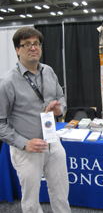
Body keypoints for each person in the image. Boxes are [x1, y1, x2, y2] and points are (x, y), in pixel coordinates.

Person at [0, 27, 71, 213]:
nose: (33, 48)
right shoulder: (7, 82)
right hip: (27, 149)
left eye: (36, 44)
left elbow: (61, 97)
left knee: (61, 193)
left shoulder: (48, 71)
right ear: (17, 49)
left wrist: (59, 108)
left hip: (52, 141)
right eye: (27, 44)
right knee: (31, 201)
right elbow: (0, 124)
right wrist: (24, 143)